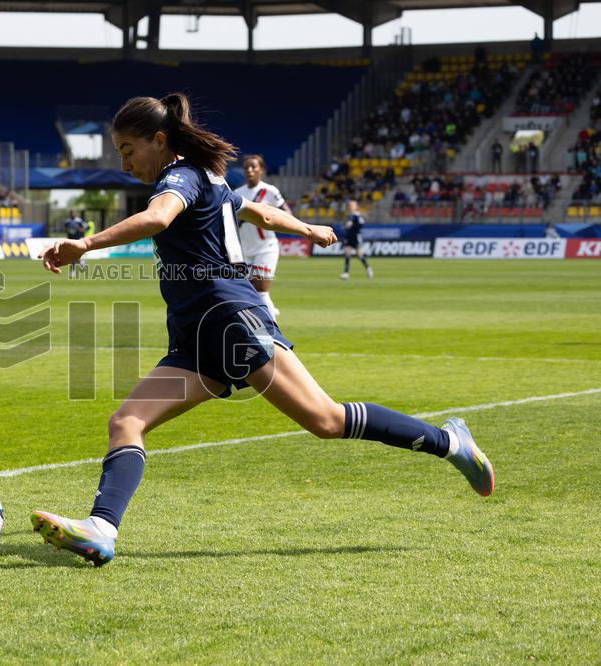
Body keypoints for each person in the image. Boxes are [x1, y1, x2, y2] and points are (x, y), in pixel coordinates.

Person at [30, 93, 495, 567]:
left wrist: (85, 244)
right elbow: (255, 212)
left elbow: (157, 218)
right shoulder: (204, 177)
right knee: (126, 422)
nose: (124, 163)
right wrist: (307, 228)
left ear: (159, 139)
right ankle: (102, 529)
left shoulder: (181, 177)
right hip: (194, 335)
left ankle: (451, 442)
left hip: (231, 317)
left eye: (128, 150)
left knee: (327, 420)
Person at [233, 154, 291, 319]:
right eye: (246, 167)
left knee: (260, 288)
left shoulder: (270, 191)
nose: (250, 170)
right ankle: (270, 312)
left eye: (254, 167)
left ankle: (271, 327)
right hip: (244, 250)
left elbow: (287, 213)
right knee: (248, 291)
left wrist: (267, 216)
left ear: (261, 170)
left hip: (266, 248)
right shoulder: (237, 193)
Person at [340, 199, 373, 280]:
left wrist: (349, 225)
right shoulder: (351, 215)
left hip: (356, 237)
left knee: (359, 254)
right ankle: (346, 273)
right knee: (347, 253)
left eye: (352, 205)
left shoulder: (356, 215)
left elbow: (359, 224)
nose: (350, 206)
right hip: (349, 236)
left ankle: (368, 268)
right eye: (350, 205)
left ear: (356, 206)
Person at [64, 210, 87, 276]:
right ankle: (78, 264)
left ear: (75, 213)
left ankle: (76, 266)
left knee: (74, 254)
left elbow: (84, 228)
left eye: (73, 213)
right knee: (71, 255)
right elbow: (65, 229)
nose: (72, 214)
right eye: (71, 213)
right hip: (70, 240)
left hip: (78, 240)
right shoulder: (67, 221)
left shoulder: (79, 221)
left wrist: (78, 229)